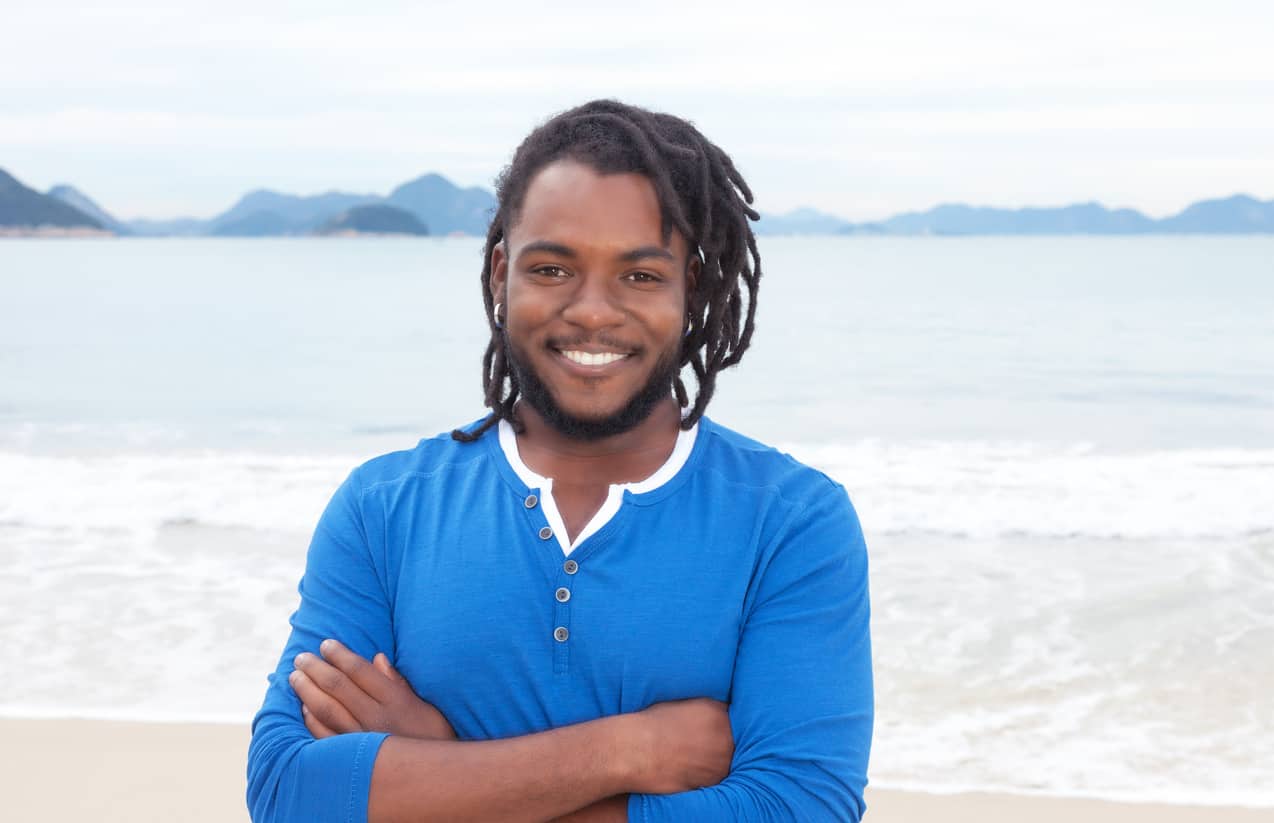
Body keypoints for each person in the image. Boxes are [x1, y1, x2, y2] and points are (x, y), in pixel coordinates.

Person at [246, 99, 873, 822]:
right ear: (500, 274)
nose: (593, 311)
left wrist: (439, 768)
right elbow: (287, 792)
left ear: (691, 286)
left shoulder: (790, 520)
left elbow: (801, 808)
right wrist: (626, 750)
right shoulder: (384, 506)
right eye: (552, 269)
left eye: (639, 275)